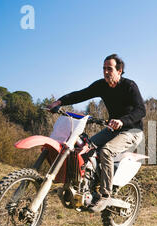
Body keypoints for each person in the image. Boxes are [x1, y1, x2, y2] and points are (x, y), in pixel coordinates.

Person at [48, 54, 145, 212]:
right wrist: (59, 102)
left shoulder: (129, 86)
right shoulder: (102, 86)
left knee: (106, 151)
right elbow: (81, 94)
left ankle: (105, 195)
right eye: (104, 68)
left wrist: (123, 121)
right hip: (112, 130)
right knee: (86, 148)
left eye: (110, 69)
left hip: (132, 130)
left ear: (119, 71)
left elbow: (141, 110)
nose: (106, 72)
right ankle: (87, 188)